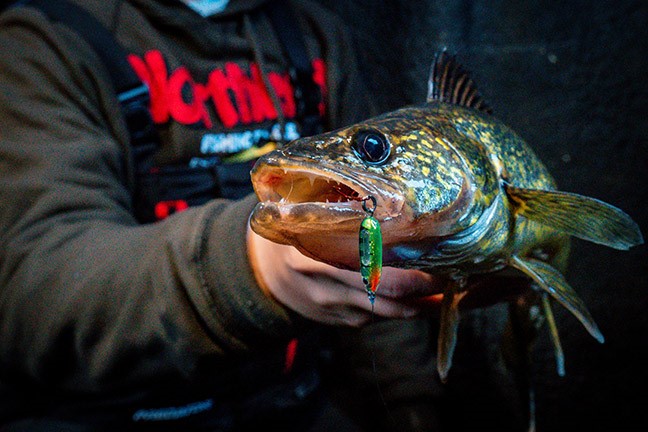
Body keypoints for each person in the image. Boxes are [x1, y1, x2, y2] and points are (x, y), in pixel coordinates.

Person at [0, 1, 446, 430]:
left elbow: (382, 262)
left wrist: (409, 400)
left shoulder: (312, 35)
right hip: (118, 410)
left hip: (292, 400)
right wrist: (251, 268)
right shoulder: (43, 39)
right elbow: (37, 292)